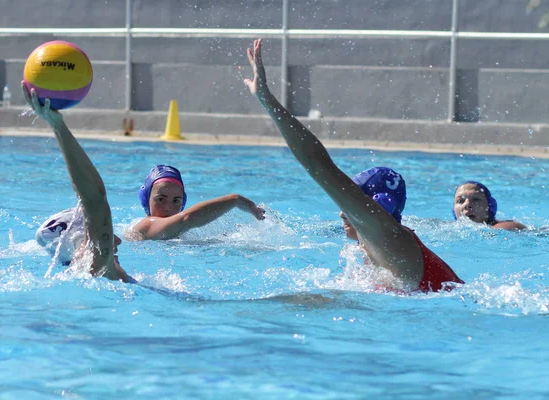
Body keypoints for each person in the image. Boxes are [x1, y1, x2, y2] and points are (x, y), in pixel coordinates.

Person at [244, 39, 463, 292]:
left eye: (351, 200)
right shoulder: (381, 243)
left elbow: (317, 164)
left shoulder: (388, 236)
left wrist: (267, 101)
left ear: (376, 204)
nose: (342, 211)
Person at [23, 81, 132, 282]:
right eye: (90, 233)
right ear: (77, 246)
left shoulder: (88, 276)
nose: (116, 240)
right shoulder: (98, 268)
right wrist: (58, 127)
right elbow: (94, 198)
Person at [128, 164, 265, 240]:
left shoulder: (181, 232)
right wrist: (235, 199)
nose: (168, 207)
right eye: (161, 199)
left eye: (176, 201)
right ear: (146, 199)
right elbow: (187, 218)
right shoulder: (143, 227)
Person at [453, 181, 527, 231]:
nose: (467, 204)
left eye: (476, 199)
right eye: (460, 201)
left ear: (490, 206)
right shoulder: (448, 228)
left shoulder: (506, 227)